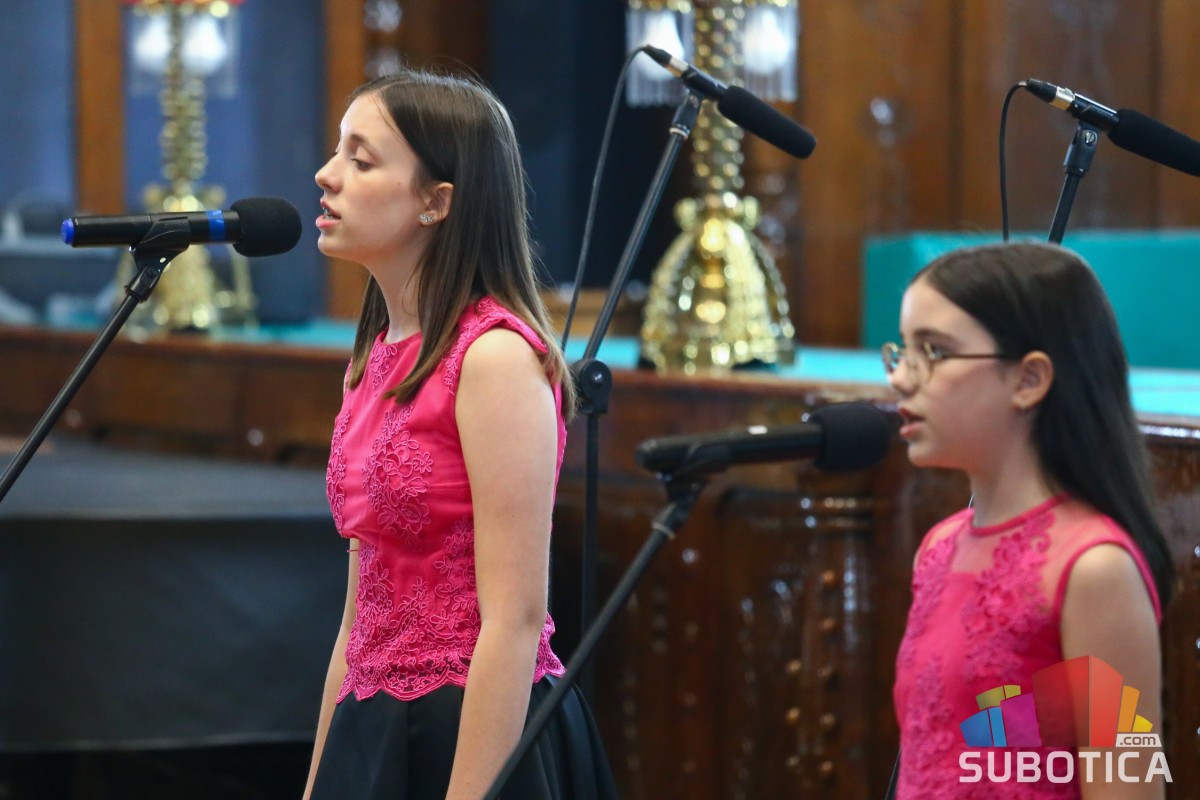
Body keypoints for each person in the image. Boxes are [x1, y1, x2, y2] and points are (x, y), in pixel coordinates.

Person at [303, 69, 617, 800]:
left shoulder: (495, 357)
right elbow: (359, 617)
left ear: (436, 202)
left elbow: (515, 619)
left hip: (477, 727)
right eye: (337, 150)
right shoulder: (373, 358)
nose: (326, 174)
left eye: (360, 159)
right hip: (375, 720)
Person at [884, 242, 1173, 799]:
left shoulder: (1093, 569)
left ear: (1028, 380)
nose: (901, 378)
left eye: (934, 351)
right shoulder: (939, 548)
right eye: (902, 351)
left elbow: (1127, 785)